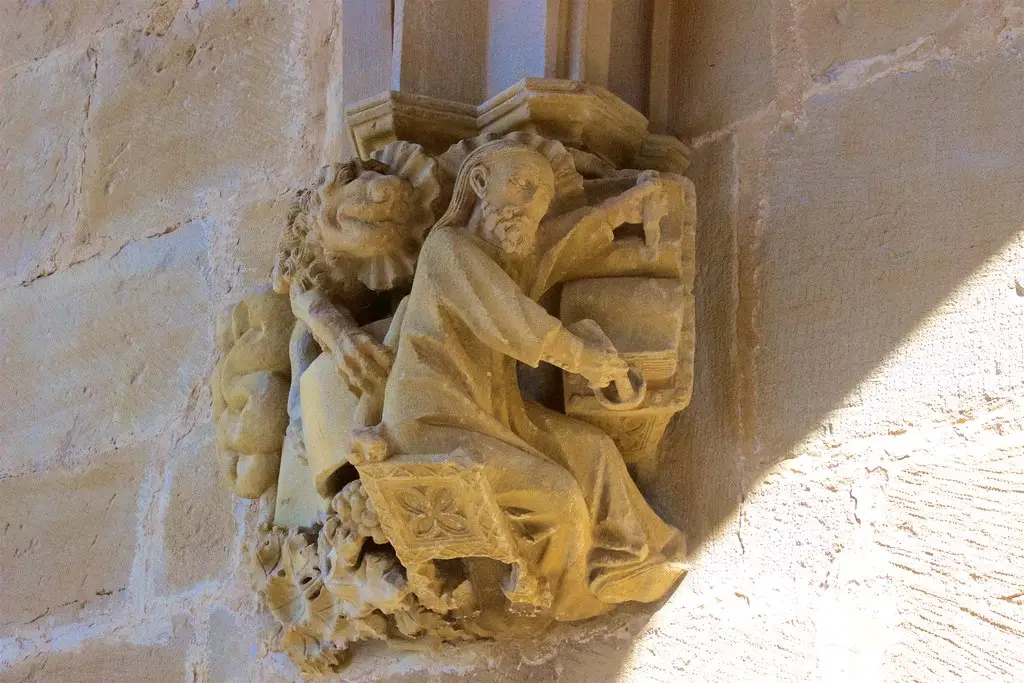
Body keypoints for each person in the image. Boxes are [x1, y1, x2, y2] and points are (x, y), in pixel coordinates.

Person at [373, 138, 687, 621]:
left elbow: (552, 248)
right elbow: (515, 320)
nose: (531, 204)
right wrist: (586, 359)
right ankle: (574, 599)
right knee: (557, 495)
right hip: (432, 427)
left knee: (593, 449)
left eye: (541, 198)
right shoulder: (448, 249)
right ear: (480, 181)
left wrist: (616, 212)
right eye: (521, 185)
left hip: (492, 415)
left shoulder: (502, 259)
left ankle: (626, 558)